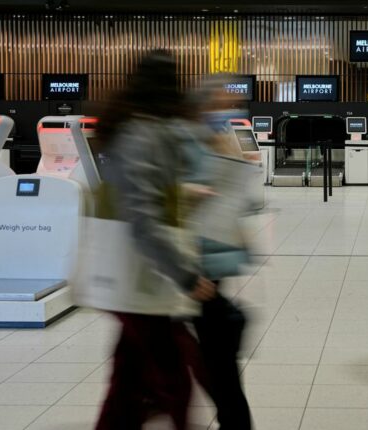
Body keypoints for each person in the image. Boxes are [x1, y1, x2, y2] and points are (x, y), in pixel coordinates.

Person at [93, 50, 218, 429]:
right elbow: (143, 220)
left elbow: (143, 198)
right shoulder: (144, 133)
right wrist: (185, 275)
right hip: (143, 275)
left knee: (127, 379)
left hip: (132, 274)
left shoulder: (132, 126)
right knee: (173, 379)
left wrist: (184, 191)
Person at [176, 75, 254, 430]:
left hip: (213, 255)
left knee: (213, 346)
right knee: (215, 350)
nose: (228, 109)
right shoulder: (182, 139)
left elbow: (244, 196)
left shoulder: (215, 138)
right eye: (221, 104)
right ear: (203, 106)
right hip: (194, 258)